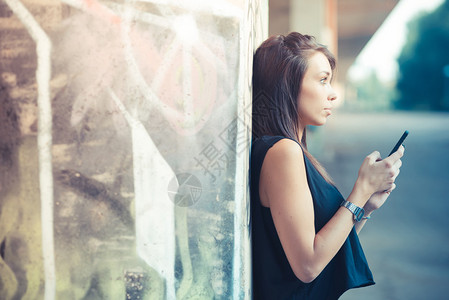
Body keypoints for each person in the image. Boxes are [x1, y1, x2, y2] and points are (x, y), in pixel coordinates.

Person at [250, 32, 404, 300]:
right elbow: (308, 265)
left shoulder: (291, 150)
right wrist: (361, 189)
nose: (332, 94)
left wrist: (365, 206)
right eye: (322, 80)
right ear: (287, 85)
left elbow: (326, 250)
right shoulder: (283, 152)